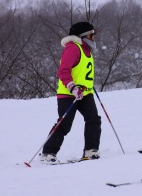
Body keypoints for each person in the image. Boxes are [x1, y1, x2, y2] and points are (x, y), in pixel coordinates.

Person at [41, 22, 102, 163]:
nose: (94, 37)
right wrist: (72, 87)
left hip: (85, 93)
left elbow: (82, 72)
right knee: (65, 124)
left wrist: (88, 85)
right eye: (91, 34)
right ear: (83, 36)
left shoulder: (87, 51)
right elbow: (63, 71)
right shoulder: (73, 48)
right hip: (68, 94)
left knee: (93, 120)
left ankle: (91, 150)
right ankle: (48, 153)